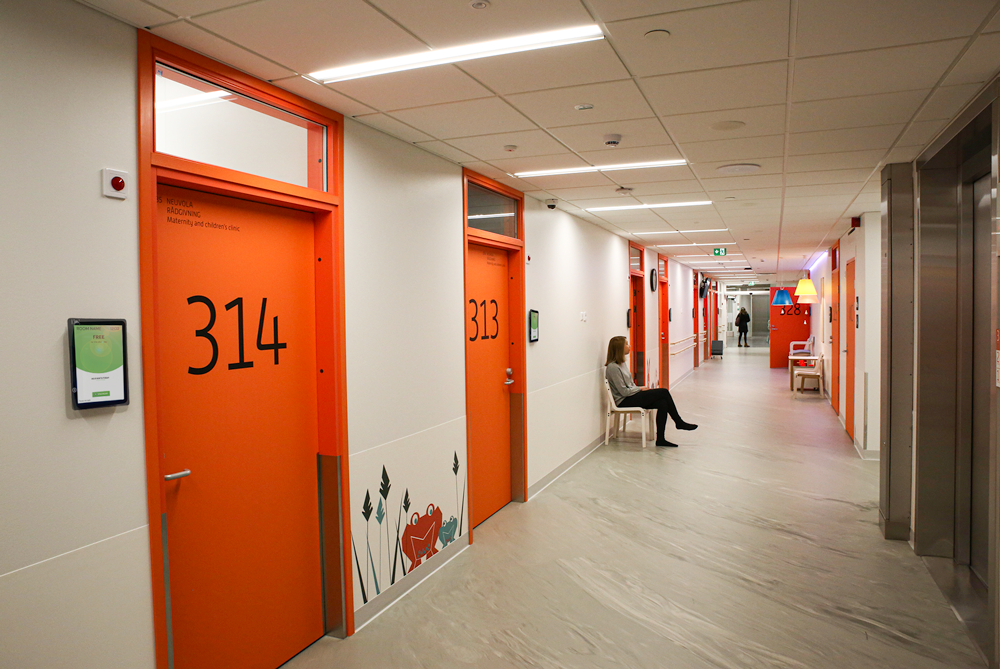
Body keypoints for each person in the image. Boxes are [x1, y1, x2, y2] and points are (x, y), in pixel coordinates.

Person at [605, 336, 697, 448]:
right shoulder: (613, 367)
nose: (629, 346)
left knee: (663, 403)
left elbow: (629, 386)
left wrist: (638, 388)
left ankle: (661, 439)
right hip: (624, 401)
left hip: (632, 396)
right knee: (663, 392)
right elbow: (624, 392)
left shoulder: (622, 364)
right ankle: (679, 422)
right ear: (619, 348)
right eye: (626, 344)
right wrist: (640, 388)